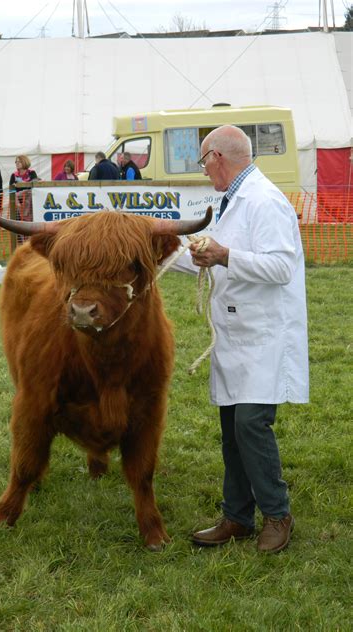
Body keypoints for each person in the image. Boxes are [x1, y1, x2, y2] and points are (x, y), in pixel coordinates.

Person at [188, 125, 309, 553]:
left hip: (263, 336)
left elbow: (281, 268)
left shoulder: (264, 200)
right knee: (230, 430)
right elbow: (218, 255)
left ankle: (277, 515)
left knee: (250, 425)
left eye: (203, 162)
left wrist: (224, 255)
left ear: (218, 157)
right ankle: (237, 517)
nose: (204, 171)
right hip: (235, 334)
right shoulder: (230, 200)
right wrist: (157, 250)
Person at [9, 155, 39, 244]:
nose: (17, 163)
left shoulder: (32, 173)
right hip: (18, 204)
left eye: (19, 161)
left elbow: (35, 186)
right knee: (18, 225)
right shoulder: (13, 175)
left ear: (24, 162)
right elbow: (12, 190)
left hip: (30, 205)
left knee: (29, 225)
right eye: (16, 162)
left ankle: (30, 243)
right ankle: (21, 244)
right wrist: (17, 203)